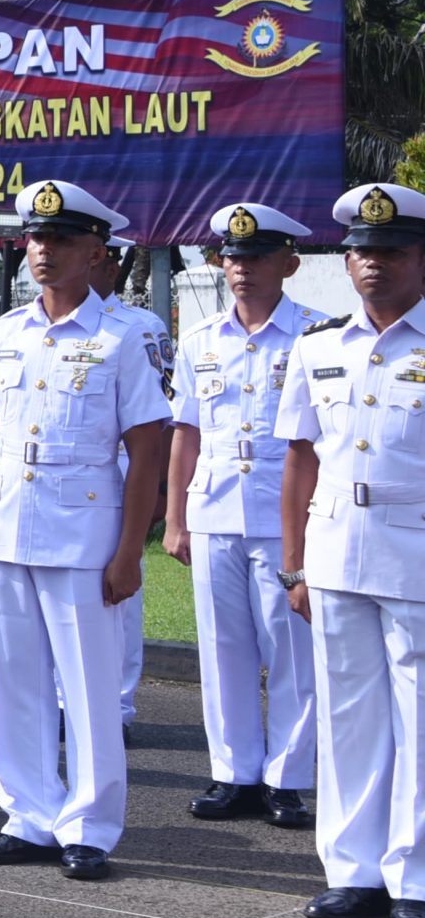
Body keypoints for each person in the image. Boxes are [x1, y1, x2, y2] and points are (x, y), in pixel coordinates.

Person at [0, 180, 170, 881]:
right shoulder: (9, 333)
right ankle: (28, 815)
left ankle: (89, 825)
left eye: (59, 240)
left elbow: (148, 448)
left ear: (94, 250)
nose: (42, 251)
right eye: (35, 238)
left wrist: (130, 549)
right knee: (12, 684)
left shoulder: (124, 336)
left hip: (84, 537)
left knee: (87, 688)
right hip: (8, 526)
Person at [278, 181, 425, 918]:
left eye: (390, 252)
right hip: (336, 552)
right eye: (362, 253)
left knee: (420, 720)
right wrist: (296, 562)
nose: (372, 265)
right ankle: (353, 872)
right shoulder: (317, 348)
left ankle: (417, 875)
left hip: (417, 551)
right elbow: (300, 460)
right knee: (348, 720)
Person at [164, 202, 318, 830]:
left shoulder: (315, 335)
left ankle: (288, 777)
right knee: (223, 649)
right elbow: (185, 434)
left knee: (290, 651)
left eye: (256, 256)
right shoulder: (200, 341)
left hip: (284, 518)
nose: (242, 268)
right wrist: (175, 519)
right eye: (231, 256)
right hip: (216, 509)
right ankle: (233, 774)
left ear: (290, 262)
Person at [98, 231, 174, 734]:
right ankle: (66, 701)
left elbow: (161, 416)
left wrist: (163, 486)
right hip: (75, 478)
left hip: (131, 470)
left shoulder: (141, 326)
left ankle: (119, 705)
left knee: (121, 593)